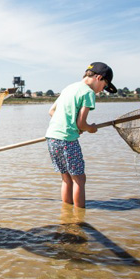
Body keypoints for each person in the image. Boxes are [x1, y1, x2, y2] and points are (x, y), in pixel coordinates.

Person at [45, 62, 117, 208]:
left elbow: (51, 111)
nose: (102, 91)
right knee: (79, 179)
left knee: (66, 178)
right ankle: (79, 216)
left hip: (52, 138)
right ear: (98, 77)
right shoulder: (88, 93)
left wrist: (68, 125)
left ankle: (67, 213)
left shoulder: (69, 87)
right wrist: (91, 128)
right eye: (104, 86)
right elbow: (81, 124)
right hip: (67, 141)